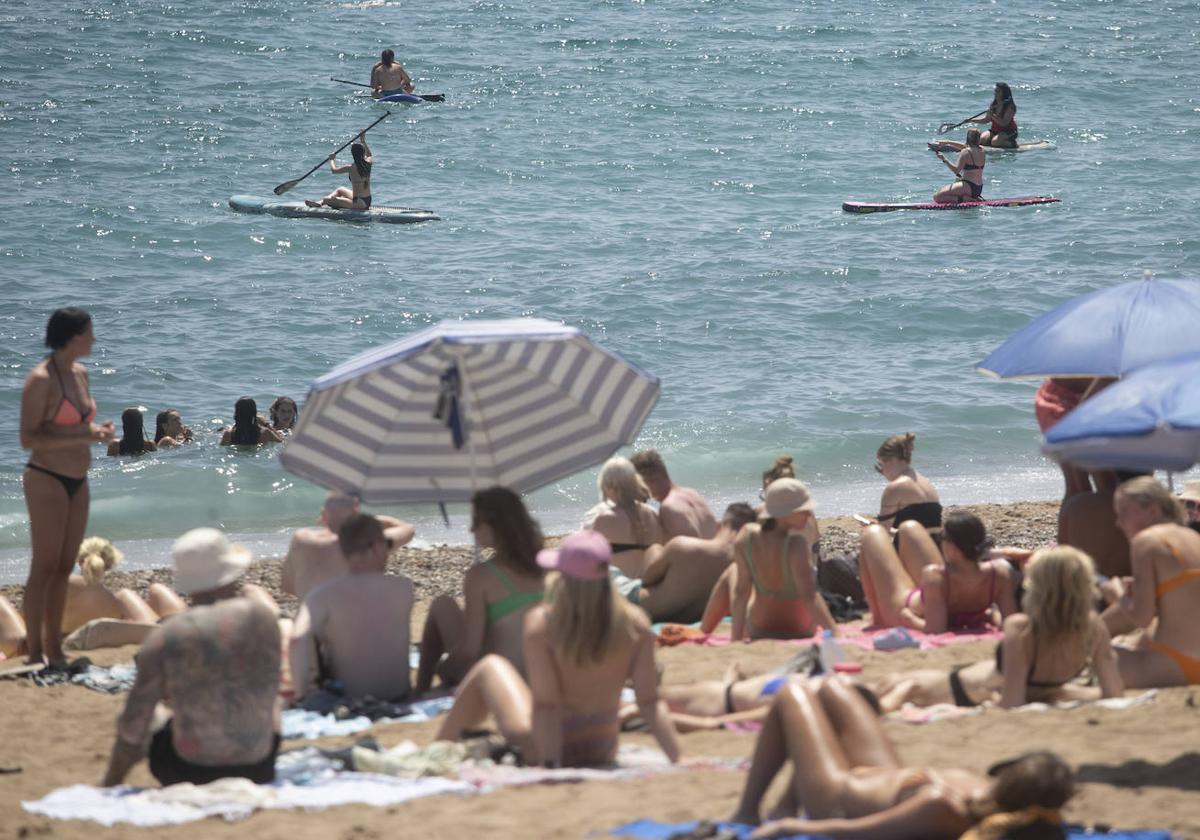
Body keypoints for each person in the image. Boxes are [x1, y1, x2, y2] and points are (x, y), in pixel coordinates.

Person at [434, 530, 680, 767]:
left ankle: (438, 748)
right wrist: (676, 758)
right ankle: (450, 743)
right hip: (601, 747)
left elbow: (546, 705)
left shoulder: (544, 623)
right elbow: (649, 701)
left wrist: (551, 764)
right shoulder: (635, 623)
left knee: (490, 666)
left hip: (549, 745)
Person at [730, 676, 1075, 838]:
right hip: (885, 775)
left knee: (792, 693)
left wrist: (790, 828)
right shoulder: (985, 794)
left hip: (836, 796)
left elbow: (857, 831)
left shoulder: (944, 807)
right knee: (833, 687)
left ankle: (748, 811)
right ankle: (786, 802)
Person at [101, 528, 282, 787]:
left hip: (186, 769)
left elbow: (133, 723)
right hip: (259, 767)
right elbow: (269, 684)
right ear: (231, 573)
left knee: (149, 714)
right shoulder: (263, 619)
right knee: (272, 702)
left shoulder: (168, 636)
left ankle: (110, 782)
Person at [19, 307, 115, 667]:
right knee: (43, 566)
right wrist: (82, 433)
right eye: (90, 333)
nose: (94, 339)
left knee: (63, 567)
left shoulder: (81, 373)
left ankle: (55, 648)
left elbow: (78, 427)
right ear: (74, 337)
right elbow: (29, 438)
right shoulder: (40, 379)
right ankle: (34, 650)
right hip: (46, 477)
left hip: (79, 478)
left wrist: (96, 433)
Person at [415, 487, 545, 694]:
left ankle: (419, 691)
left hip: (502, 681)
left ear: (496, 526)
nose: (471, 530)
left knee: (442, 604)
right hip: (544, 677)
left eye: (476, 522)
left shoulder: (481, 576)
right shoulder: (548, 565)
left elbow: (470, 650)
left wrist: (445, 668)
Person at [289, 513, 415, 702]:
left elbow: (298, 638)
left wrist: (303, 694)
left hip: (349, 698)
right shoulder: (403, 588)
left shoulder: (323, 594)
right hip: (398, 695)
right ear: (377, 548)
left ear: (342, 549)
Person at [1105, 477, 1200, 687]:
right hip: (1192, 660)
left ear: (1152, 510)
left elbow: (1141, 617)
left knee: (1100, 654)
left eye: (1124, 512)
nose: (1118, 522)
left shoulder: (1146, 541)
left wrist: (1116, 594)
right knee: (1129, 641)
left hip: (1173, 663)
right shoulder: (1191, 537)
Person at [0, 536, 159, 658]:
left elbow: (29, 622)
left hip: (32, 651)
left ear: (80, 560)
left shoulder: (58, 583)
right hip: (86, 646)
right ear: (109, 565)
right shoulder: (113, 600)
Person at [858, 510, 1017, 631]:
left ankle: (878, 618)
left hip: (909, 609)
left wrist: (909, 619)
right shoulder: (999, 573)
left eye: (943, 538)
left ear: (952, 547)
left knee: (872, 533)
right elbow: (1009, 621)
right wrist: (989, 615)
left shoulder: (936, 575)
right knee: (909, 527)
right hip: (936, 600)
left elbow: (935, 629)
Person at [729, 479, 838, 641]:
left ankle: (706, 629)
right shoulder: (796, 545)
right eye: (802, 510)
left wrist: (735, 639)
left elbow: (741, 592)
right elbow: (809, 596)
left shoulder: (746, 536)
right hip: (800, 629)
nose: (809, 514)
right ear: (784, 513)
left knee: (732, 573)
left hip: (758, 628)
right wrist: (835, 633)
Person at [634, 503, 758, 625]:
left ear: (719, 525)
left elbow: (646, 580)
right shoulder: (747, 566)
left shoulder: (683, 545)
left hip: (643, 609)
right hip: (690, 619)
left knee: (655, 548)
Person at [280, 492, 414, 601]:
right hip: (355, 628)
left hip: (312, 628)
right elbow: (408, 529)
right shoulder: (368, 542)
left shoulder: (301, 539)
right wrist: (371, 521)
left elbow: (288, 586)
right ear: (355, 511)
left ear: (323, 514)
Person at [585, 456, 664, 579]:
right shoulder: (653, 514)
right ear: (634, 482)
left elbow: (589, 560)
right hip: (648, 587)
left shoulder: (605, 519)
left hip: (620, 589)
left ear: (606, 484)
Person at [630, 449, 719, 540]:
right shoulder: (691, 493)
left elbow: (691, 549)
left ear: (648, 481)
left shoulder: (669, 507)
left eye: (635, 483)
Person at [867, 433, 942, 538]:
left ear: (890, 460)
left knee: (870, 536)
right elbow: (925, 531)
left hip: (912, 551)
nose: (882, 472)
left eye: (880, 465)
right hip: (935, 550)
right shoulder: (927, 483)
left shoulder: (895, 487)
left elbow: (883, 532)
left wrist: (872, 527)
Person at [304, 132, 372, 211]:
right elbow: (369, 155)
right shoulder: (368, 163)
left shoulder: (350, 168)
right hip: (367, 200)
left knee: (327, 200)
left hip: (359, 204)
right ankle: (320, 202)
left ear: (353, 154)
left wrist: (332, 160)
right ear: (363, 153)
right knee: (340, 189)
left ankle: (324, 202)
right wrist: (363, 141)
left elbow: (334, 170)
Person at [932, 128, 986, 204]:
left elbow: (956, 170)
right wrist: (947, 142)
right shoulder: (982, 150)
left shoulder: (965, 152)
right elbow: (965, 147)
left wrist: (944, 159)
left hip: (968, 186)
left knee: (937, 197)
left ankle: (964, 198)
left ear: (967, 138)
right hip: (978, 188)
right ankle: (973, 197)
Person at [220, 396, 284, 446]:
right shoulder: (265, 433)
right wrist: (266, 423)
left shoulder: (228, 434)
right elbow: (281, 441)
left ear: (236, 413)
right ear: (254, 413)